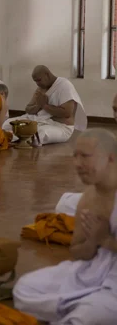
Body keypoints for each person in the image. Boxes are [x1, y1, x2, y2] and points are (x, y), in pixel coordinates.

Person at [13, 129, 117, 324]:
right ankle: (85, 307)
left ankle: (84, 310)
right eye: (75, 157)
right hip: (92, 271)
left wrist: (105, 240)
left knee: (85, 317)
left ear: (111, 158)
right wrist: (93, 241)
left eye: (85, 157)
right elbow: (77, 251)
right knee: (25, 289)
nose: (77, 164)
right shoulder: (89, 197)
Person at [2, 65, 86, 145]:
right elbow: (28, 109)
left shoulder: (64, 85)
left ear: (47, 75)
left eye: (39, 80)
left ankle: (10, 137)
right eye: (35, 81)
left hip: (60, 127)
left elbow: (67, 113)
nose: (37, 84)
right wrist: (39, 105)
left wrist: (44, 105)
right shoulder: (41, 88)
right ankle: (12, 137)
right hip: (38, 121)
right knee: (7, 123)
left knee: (40, 133)